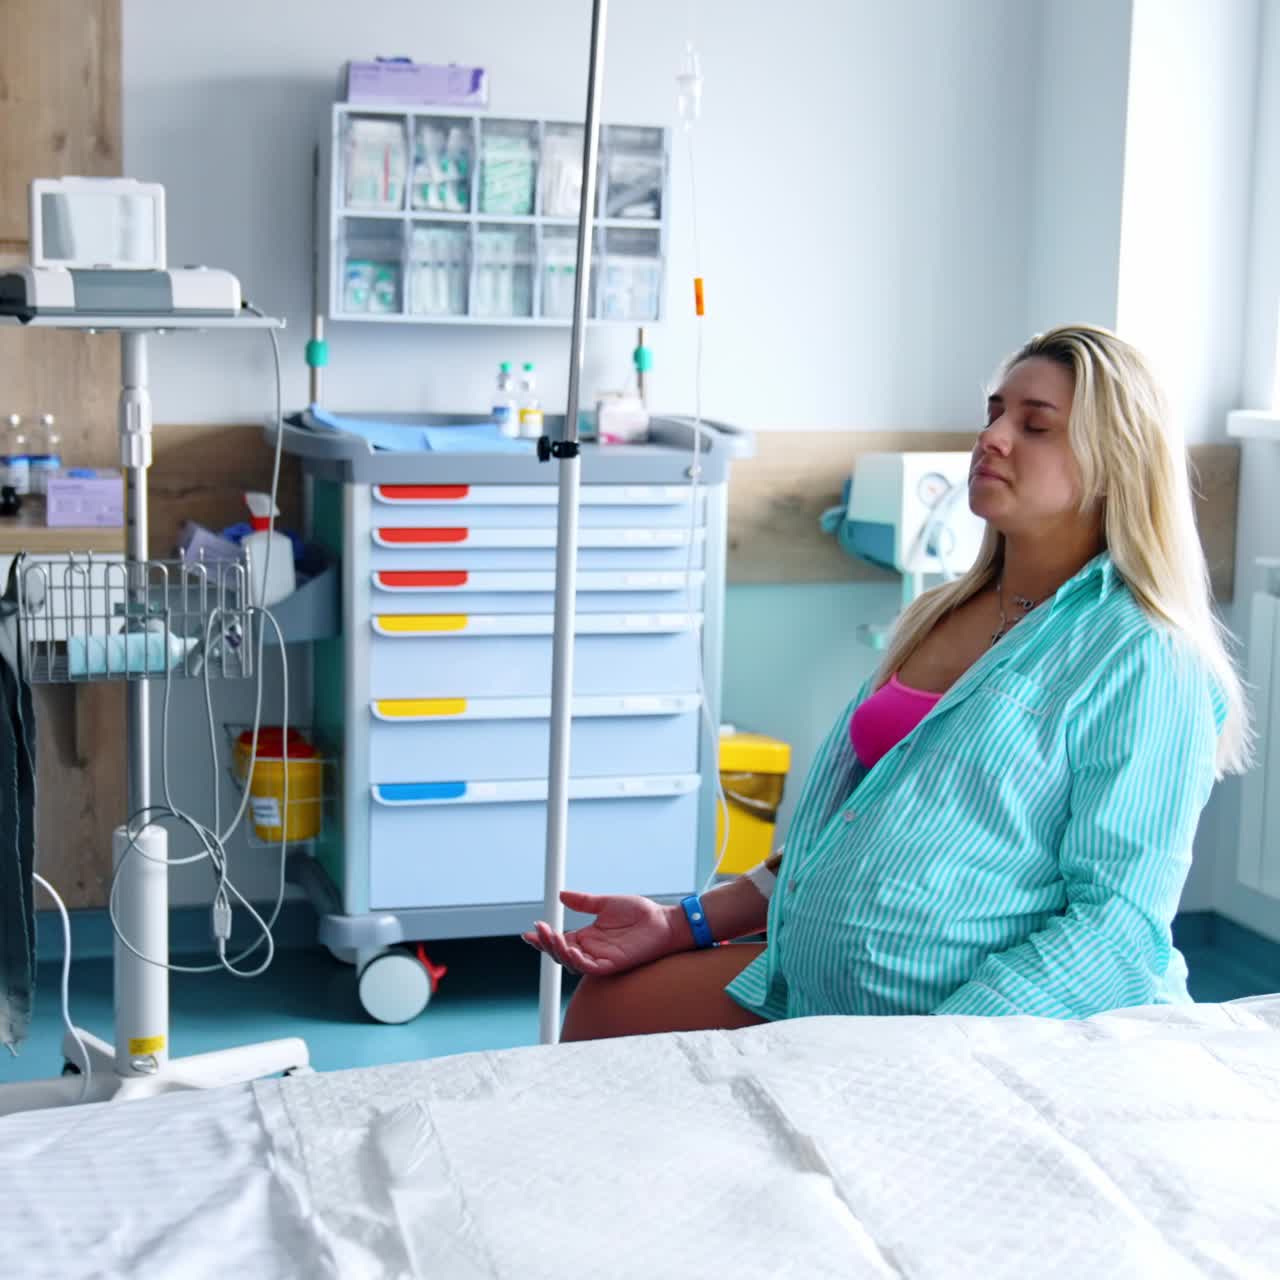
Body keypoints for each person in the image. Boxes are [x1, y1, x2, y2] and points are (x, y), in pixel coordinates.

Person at [525, 324, 1251, 1040]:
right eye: (995, 414)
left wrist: (942, 1047)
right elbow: (842, 837)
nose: (993, 438)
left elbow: (1116, 926)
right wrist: (681, 923)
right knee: (608, 1005)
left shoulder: (1143, 656)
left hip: (962, 1020)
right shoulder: (944, 611)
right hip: (817, 985)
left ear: (1114, 464)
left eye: (1036, 426)